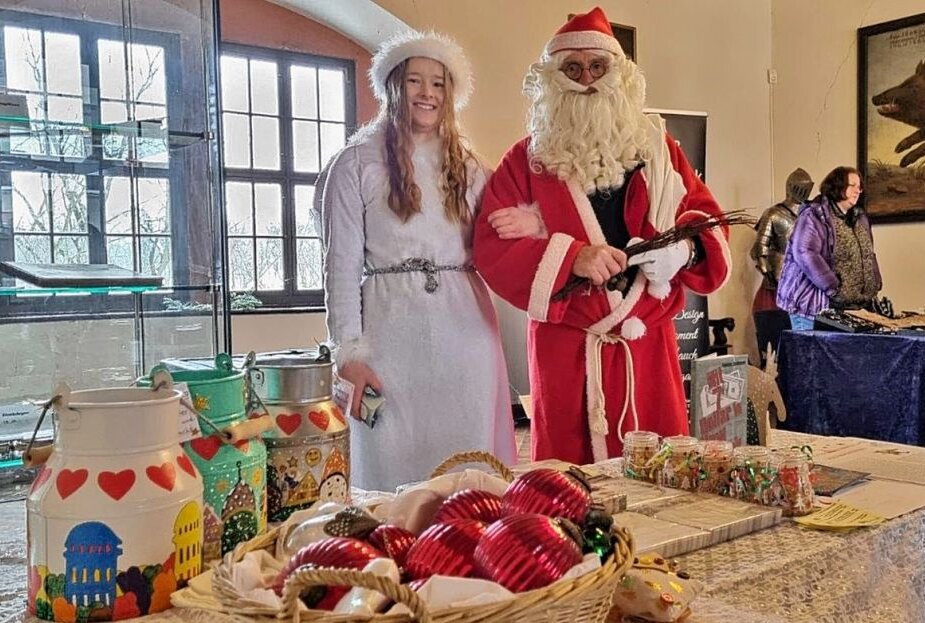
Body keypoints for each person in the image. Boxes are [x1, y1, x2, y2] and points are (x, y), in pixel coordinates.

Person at [473, 7, 731, 465]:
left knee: (660, 473)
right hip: (569, 349)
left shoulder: (659, 150)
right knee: (571, 482)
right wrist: (571, 256)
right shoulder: (526, 161)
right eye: (572, 70)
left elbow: (707, 218)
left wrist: (684, 251)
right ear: (553, 79)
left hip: (646, 345)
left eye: (598, 66)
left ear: (619, 75)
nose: (587, 80)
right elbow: (492, 246)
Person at [322, 30, 517, 491]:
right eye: (414, 80)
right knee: (392, 456)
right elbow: (340, 268)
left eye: (438, 83)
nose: (427, 93)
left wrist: (528, 220)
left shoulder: (470, 167)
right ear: (394, 86)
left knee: (468, 459)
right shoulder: (355, 164)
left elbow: (505, 232)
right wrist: (347, 354)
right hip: (389, 333)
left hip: (465, 330)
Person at [776, 166, 881, 330]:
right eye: (852, 185)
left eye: (859, 187)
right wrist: (833, 287)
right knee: (813, 348)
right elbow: (805, 253)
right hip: (812, 308)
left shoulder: (859, 218)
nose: (858, 191)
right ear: (837, 187)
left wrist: (875, 285)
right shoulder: (814, 215)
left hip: (851, 309)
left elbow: (868, 255)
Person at [750, 168, 814, 365]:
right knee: (774, 347)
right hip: (776, 286)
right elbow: (759, 248)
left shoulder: (810, 215)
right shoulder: (773, 214)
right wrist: (766, 270)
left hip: (805, 285)